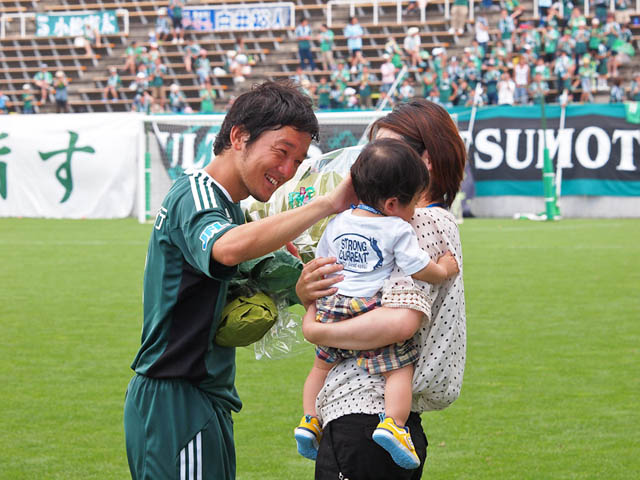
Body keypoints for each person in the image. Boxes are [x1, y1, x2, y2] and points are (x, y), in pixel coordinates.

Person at [123, 81, 356, 480]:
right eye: (281, 152)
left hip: (202, 395)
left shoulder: (230, 208)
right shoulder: (195, 194)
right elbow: (227, 249)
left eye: (297, 162)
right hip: (175, 397)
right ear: (239, 136)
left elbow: (250, 271)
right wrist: (325, 205)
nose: (286, 172)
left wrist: (300, 285)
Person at [295, 100, 466, 480]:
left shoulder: (415, 221)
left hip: (363, 411)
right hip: (376, 417)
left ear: (428, 161)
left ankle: (310, 419)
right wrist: (305, 287)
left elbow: (399, 323)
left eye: (392, 151)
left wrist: (316, 329)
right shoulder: (387, 222)